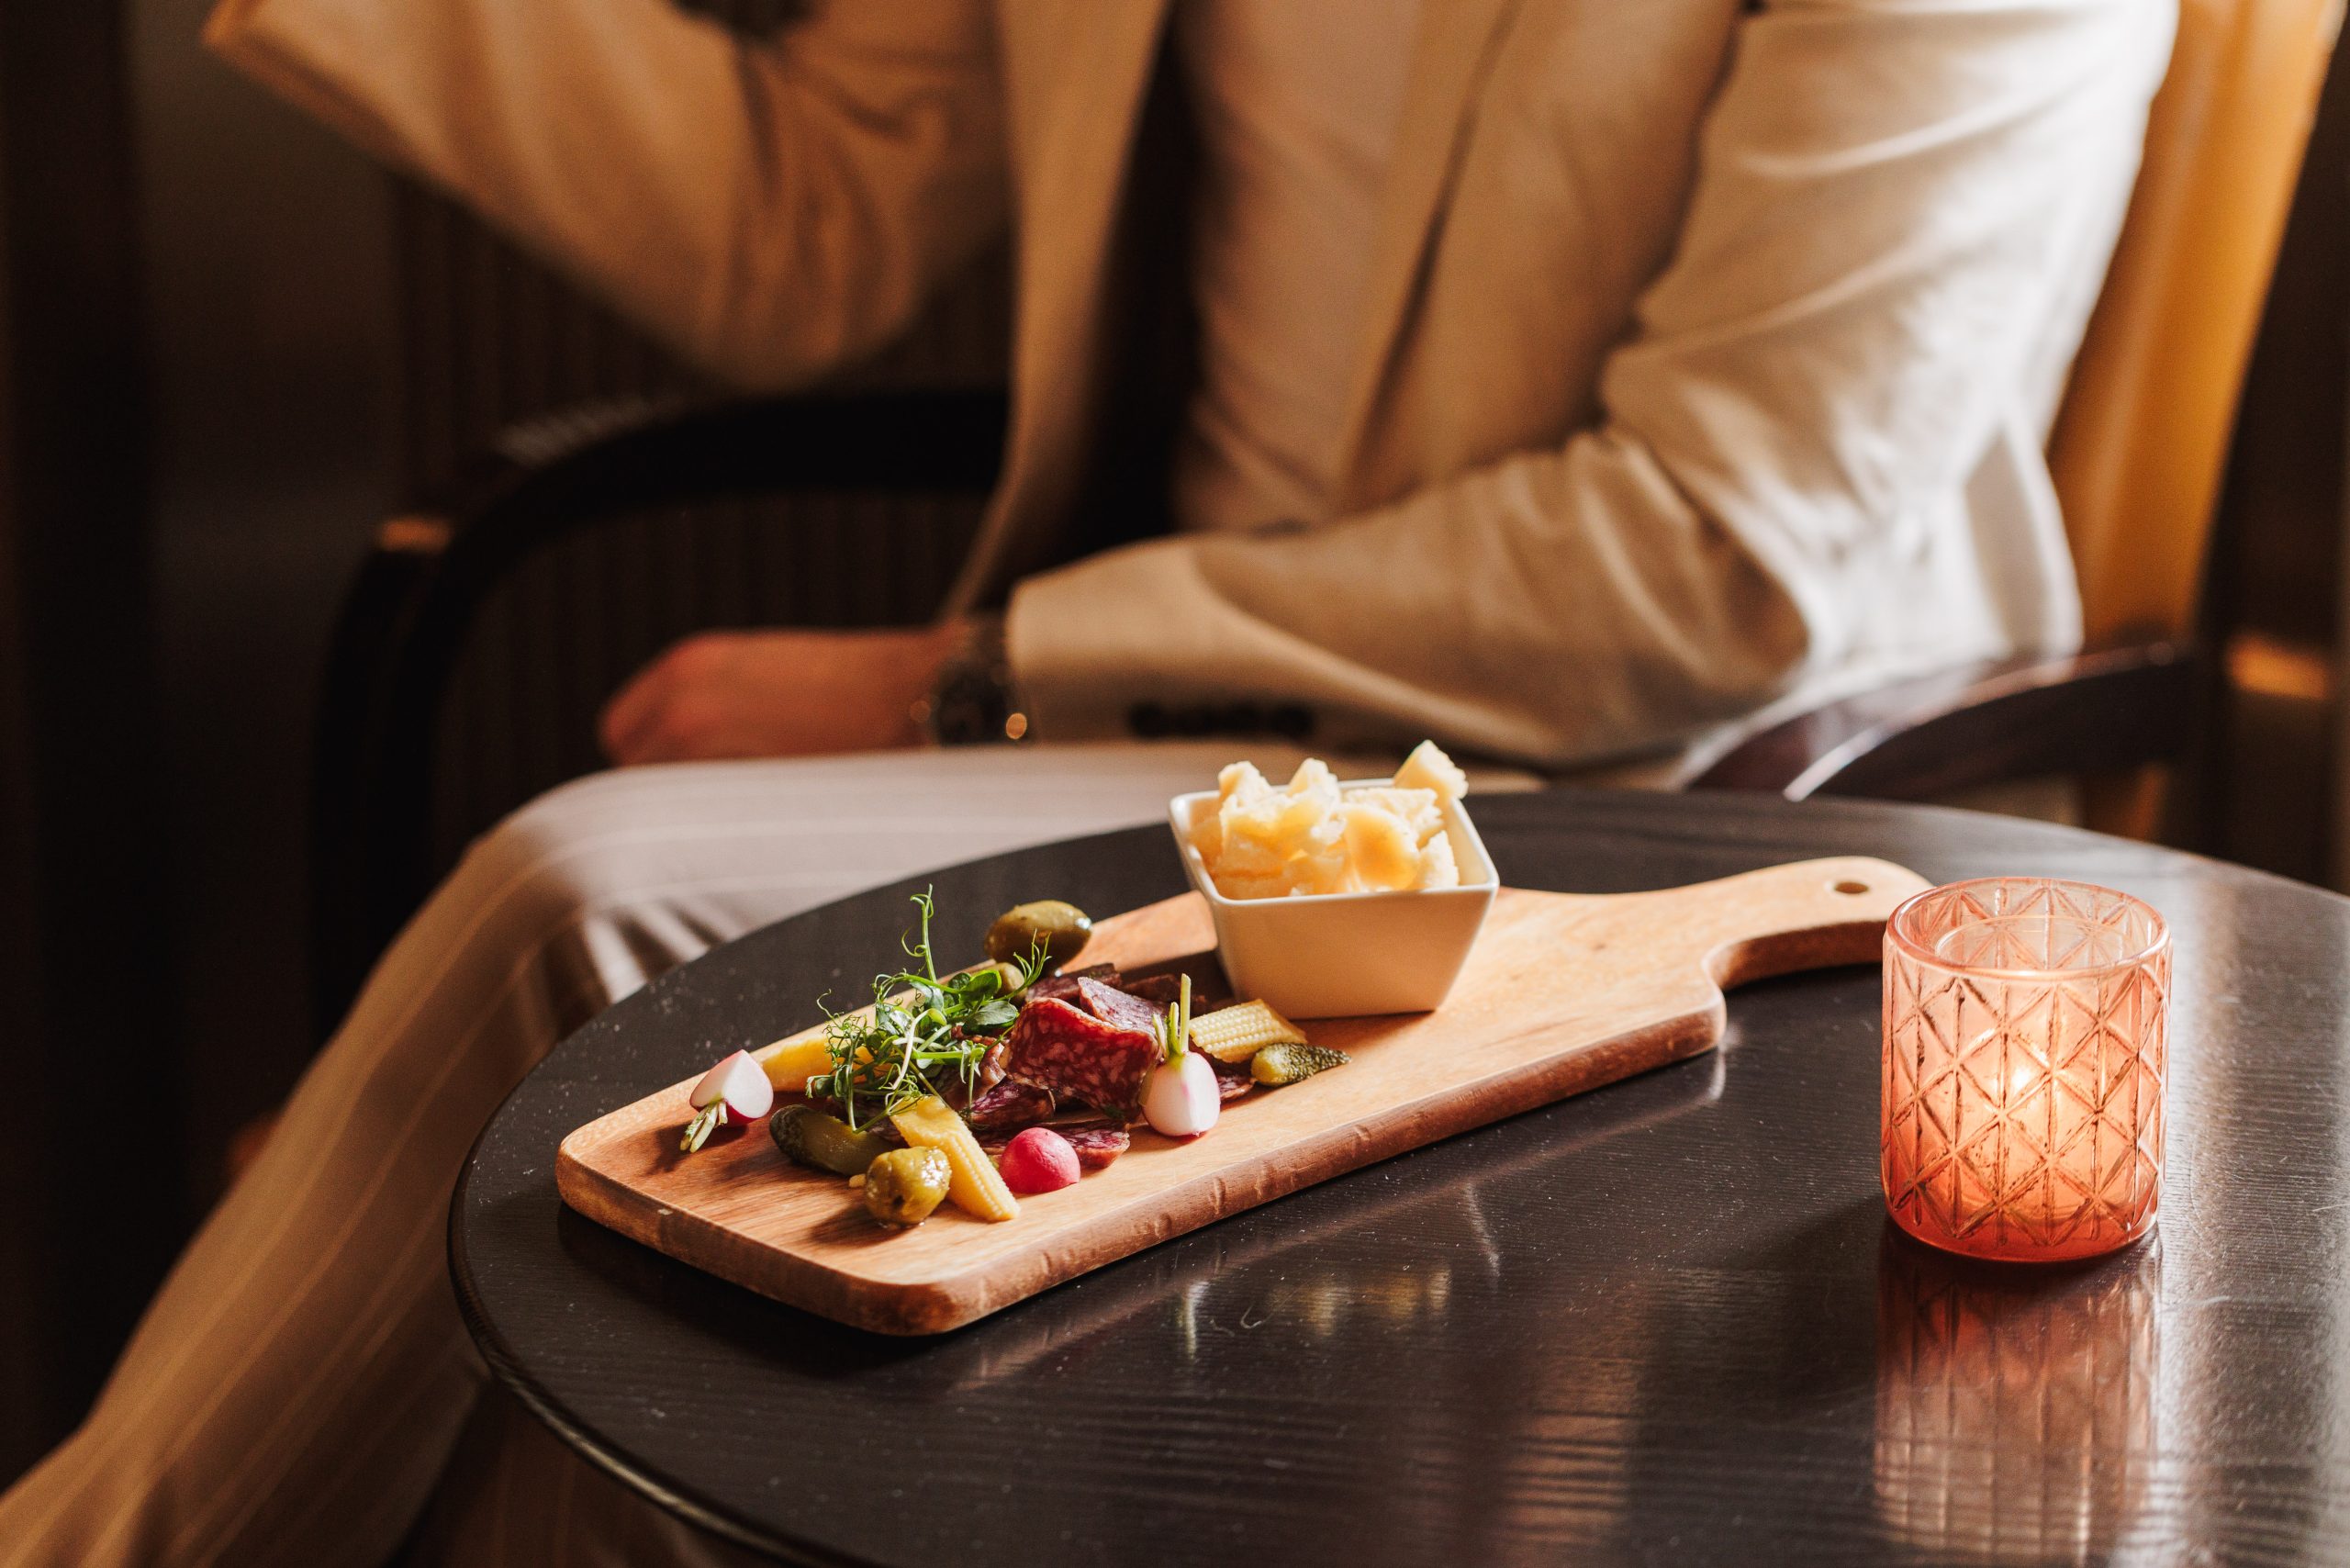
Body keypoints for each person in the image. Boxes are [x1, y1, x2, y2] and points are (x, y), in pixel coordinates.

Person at [0, 1, 2175, 1563]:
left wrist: (979, 667)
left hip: (1655, 800)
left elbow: (1715, 549)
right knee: (570, 1189)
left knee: (574, 906)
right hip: (1188, 769)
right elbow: (807, 218)